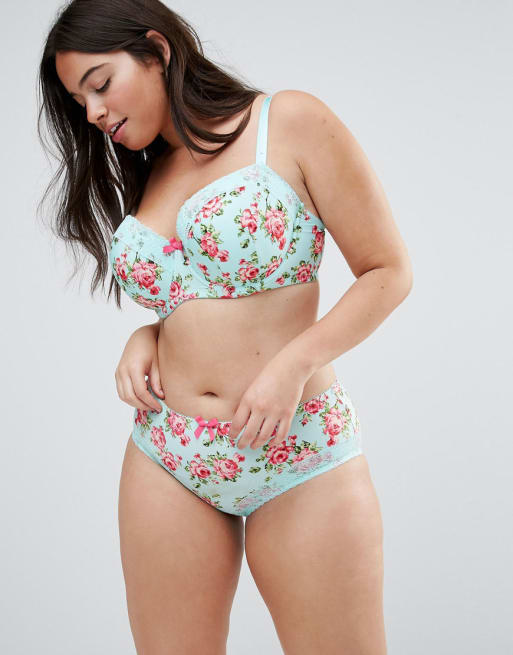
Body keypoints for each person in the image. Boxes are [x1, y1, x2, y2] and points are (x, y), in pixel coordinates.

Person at [38, 0, 412, 652]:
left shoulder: (287, 122)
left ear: (156, 50)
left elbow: (388, 271)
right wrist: (146, 335)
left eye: (100, 84)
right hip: (168, 454)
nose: (93, 112)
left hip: (297, 449)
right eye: (79, 101)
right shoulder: (151, 170)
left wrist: (293, 364)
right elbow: (194, 299)